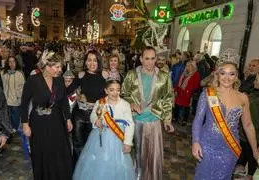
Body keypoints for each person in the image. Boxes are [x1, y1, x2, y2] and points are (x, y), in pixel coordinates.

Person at [192, 51, 259, 180]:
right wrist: (195, 142)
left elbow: (248, 125)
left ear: (236, 76)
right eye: (223, 73)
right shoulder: (208, 93)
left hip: (230, 148)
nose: (227, 78)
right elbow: (198, 121)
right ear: (217, 74)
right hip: (206, 146)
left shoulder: (243, 98)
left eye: (231, 74)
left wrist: (255, 151)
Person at [122, 46, 174, 180]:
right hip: (137, 120)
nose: (150, 62)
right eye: (146, 59)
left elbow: (168, 98)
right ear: (141, 59)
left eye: (152, 58)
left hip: (155, 119)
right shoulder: (132, 74)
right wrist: (131, 104)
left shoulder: (164, 77)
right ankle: (137, 176)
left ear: (156, 58)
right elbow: (123, 93)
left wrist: (167, 120)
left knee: (153, 154)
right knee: (138, 153)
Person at [21, 51, 73, 180]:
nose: (60, 70)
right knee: (42, 152)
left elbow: (64, 102)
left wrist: (68, 119)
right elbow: (24, 103)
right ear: (47, 66)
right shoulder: (33, 80)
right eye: (57, 67)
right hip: (38, 122)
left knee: (59, 151)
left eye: (60, 67)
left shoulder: (59, 80)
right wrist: (25, 124)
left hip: (56, 121)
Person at [73, 80, 135, 180]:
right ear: (106, 90)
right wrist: (96, 121)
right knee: (100, 161)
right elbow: (93, 115)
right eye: (112, 90)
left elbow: (130, 124)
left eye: (118, 90)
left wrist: (127, 142)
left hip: (119, 138)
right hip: (100, 135)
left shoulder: (125, 104)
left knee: (117, 163)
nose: (115, 93)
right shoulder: (100, 102)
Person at [67, 50, 108, 164]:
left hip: (95, 116)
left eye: (95, 60)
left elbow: (112, 94)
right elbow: (69, 91)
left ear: (98, 62)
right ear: (85, 62)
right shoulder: (81, 75)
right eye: (89, 60)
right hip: (79, 115)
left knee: (93, 146)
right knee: (78, 145)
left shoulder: (105, 75)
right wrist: (78, 96)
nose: (92, 63)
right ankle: (77, 171)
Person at [234, 73, 259, 178]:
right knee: (244, 152)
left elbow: (254, 120)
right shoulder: (254, 93)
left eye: (258, 80)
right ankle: (241, 168)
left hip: (254, 133)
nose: (255, 82)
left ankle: (250, 175)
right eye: (256, 79)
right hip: (245, 132)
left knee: (253, 156)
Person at [1, 56, 25, 132]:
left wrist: (19, 96)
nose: (12, 63)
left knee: (15, 116)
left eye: (13, 61)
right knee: (7, 116)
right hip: (6, 99)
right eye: (10, 62)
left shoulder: (19, 74)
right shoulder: (3, 73)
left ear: (16, 63)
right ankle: (9, 128)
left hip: (16, 100)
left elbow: (23, 86)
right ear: (7, 63)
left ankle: (15, 128)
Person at [174, 60, 200, 125]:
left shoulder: (195, 74)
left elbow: (196, 85)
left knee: (186, 107)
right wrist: (176, 90)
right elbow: (178, 81)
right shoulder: (183, 73)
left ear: (193, 67)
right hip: (180, 92)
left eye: (189, 66)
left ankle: (184, 120)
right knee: (177, 105)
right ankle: (175, 117)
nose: (187, 67)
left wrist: (189, 90)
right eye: (187, 66)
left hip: (188, 93)